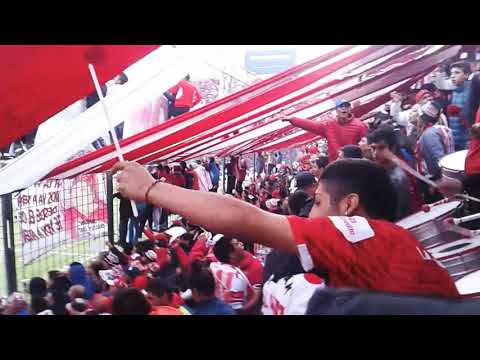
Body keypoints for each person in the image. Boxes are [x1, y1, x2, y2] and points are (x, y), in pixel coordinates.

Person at [114, 158, 459, 298]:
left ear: (349, 207)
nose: (310, 215)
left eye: (319, 203)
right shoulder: (396, 245)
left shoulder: (364, 237)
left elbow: (249, 220)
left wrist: (151, 189)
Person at [283, 99, 368, 161]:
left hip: (354, 165)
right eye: (341, 106)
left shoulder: (360, 126)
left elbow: (367, 146)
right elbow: (311, 125)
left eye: (346, 106)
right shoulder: (329, 125)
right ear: (336, 110)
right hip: (335, 167)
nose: (344, 108)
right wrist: (293, 119)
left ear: (350, 109)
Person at [367, 125, 416, 220]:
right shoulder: (377, 173)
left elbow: (399, 213)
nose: (375, 153)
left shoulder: (398, 177)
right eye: (373, 148)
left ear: (392, 148)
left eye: (381, 148)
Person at [210, 236, 260, 313]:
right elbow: (236, 312)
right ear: (232, 254)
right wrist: (255, 298)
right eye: (237, 244)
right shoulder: (235, 277)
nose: (241, 243)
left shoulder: (213, 266)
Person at [447, 62, 480, 150]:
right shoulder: (450, 93)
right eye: (451, 73)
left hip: (470, 139)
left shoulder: (474, 90)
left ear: (466, 75)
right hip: (454, 140)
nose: (452, 76)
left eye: (457, 72)